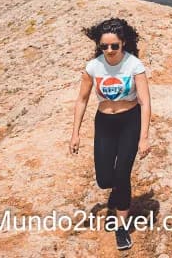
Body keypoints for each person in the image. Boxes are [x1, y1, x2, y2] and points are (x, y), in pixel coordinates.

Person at [70, 17, 151, 251]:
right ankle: (117, 190)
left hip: (129, 121)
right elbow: (82, 100)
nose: (109, 50)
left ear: (122, 43)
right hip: (104, 122)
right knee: (105, 179)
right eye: (104, 46)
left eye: (114, 45)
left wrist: (143, 137)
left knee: (122, 174)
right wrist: (75, 133)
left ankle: (121, 227)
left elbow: (145, 103)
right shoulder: (93, 67)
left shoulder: (134, 65)